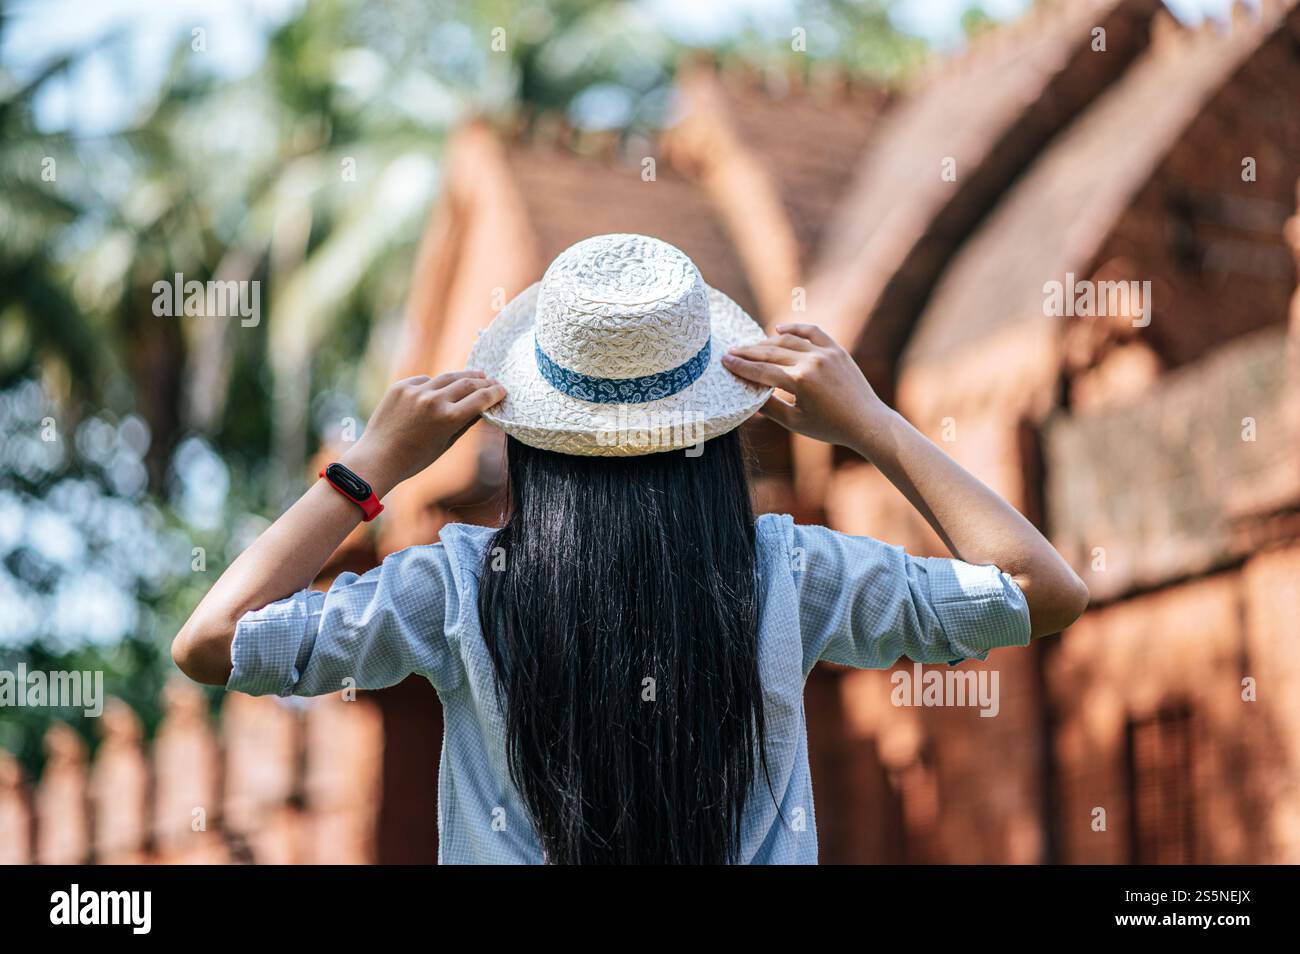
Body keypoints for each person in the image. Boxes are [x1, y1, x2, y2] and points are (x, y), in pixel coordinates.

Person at [173, 234, 1088, 864]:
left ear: (530, 438)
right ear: (717, 431)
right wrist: (876, 429)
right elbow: (1040, 588)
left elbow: (209, 641)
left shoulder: (455, 590)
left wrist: (370, 467)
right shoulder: (793, 575)